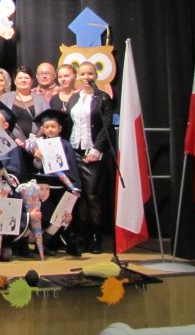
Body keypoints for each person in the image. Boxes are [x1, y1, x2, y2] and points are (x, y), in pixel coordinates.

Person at [64, 61, 114, 254]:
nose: (86, 77)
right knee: (78, 196)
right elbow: (69, 124)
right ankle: (81, 237)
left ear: (96, 76)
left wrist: (96, 149)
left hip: (92, 153)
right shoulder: (74, 98)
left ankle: (95, 237)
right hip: (74, 152)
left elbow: (106, 126)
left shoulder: (102, 98)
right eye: (83, 74)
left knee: (92, 195)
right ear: (78, 76)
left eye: (90, 74)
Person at [0, 66, 48, 139]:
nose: (23, 80)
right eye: (20, 78)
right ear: (15, 81)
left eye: (27, 78)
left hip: (36, 142)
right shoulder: (5, 98)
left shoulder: (41, 99)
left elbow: (48, 121)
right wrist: (13, 139)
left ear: (32, 81)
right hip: (10, 142)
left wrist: (36, 137)